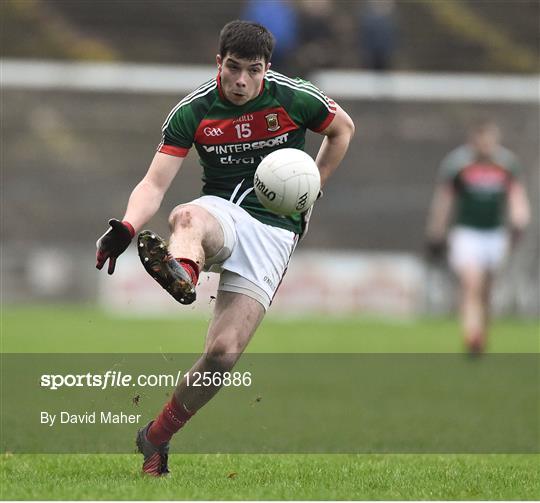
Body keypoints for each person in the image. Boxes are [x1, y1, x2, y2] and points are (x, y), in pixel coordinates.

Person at [95, 20, 355, 476]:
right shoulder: (194, 109)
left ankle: (155, 437)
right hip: (222, 211)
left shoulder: (294, 97)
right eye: (232, 68)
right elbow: (155, 182)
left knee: (223, 354)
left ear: (266, 68)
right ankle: (183, 272)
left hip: (275, 231)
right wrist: (127, 226)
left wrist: (314, 189)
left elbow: (343, 129)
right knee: (187, 216)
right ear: (219, 62)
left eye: (251, 70)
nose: (240, 80)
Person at [425, 120, 530, 355]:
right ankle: (471, 335)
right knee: (471, 284)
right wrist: (437, 231)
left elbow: (517, 198)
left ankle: (481, 333)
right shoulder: (458, 165)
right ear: (474, 141)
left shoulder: (506, 165)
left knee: (487, 290)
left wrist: (520, 220)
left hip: (495, 233)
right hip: (467, 233)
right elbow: (444, 200)